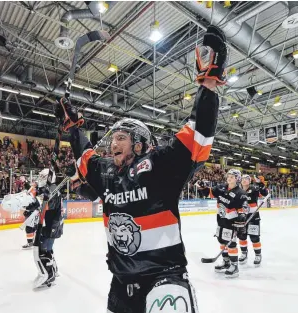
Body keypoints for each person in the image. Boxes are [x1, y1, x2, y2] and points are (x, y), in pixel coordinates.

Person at [58, 25, 228, 312]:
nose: (113, 144)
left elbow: (198, 135)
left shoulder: (159, 165)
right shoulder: (106, 173)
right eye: (113, 139)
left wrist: (208, 85)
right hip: (121, 284)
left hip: (164, 279)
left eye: (121, 138)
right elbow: (84, 157)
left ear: (140, 144)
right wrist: (74, 127)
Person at [197, 169, 249, 278]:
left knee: (231, 244)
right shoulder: (221, 187)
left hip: (231, 222)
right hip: (221, 220)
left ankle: (235, 266)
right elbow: (209, 193)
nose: (229, 177)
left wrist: (241, 219)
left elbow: (244, 210)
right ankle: (226, 262)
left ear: (237, 179)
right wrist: (202, 187)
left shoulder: (241, 193)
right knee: (221, 241)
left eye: (232, 176)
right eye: (228, 175)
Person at [33, 168, 64, 288]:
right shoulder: (50, 188)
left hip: (52, 225)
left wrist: (36, 201)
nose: (40, 179)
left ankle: (49, 275)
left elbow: (47, 206)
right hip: (52, 224)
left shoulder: (52, 190)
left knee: (44, 249)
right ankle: (53, 270)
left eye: (42, 177)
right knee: (48, 249)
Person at [238, 175, 268, 266]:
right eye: (242, 179)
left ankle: (258, 255)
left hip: (253, 216)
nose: (244, 180)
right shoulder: (237, 190)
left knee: (254, 237)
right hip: (241, 216)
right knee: (242, 236)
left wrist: (261, 184)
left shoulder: (254, 189)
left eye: (246, 179)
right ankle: (244, 253)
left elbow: (265, 193)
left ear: (250, 181)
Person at [22, 183, 39, 249]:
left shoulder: (31, 194)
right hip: (33, 214)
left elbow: (36, 205)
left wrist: (26, 209)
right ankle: (33, 242)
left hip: (32, 214)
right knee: (33, 228)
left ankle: (30, 243)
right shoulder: (31, 194)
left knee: (29, 229)